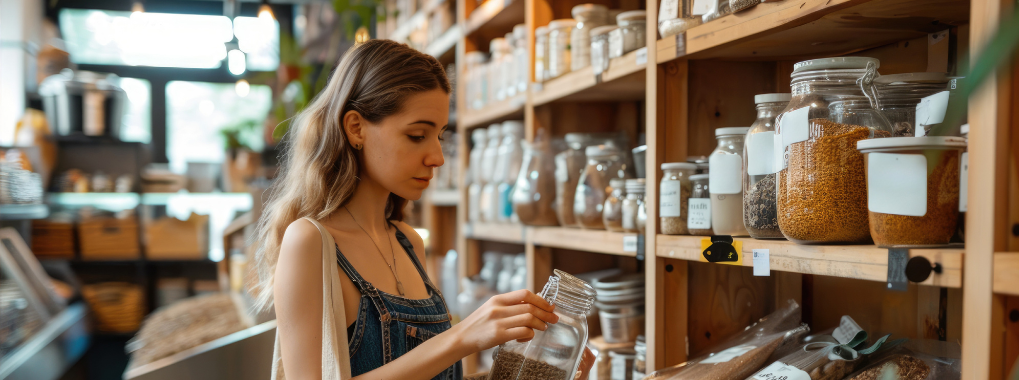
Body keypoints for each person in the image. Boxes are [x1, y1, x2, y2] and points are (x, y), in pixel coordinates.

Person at [253, 39, 593, 379]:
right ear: (356, 128)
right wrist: (461, 338)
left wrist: (543, 371)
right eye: (417, 135)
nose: (437, 157)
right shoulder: (310, 242)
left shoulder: (407, 241)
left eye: (440, 136)